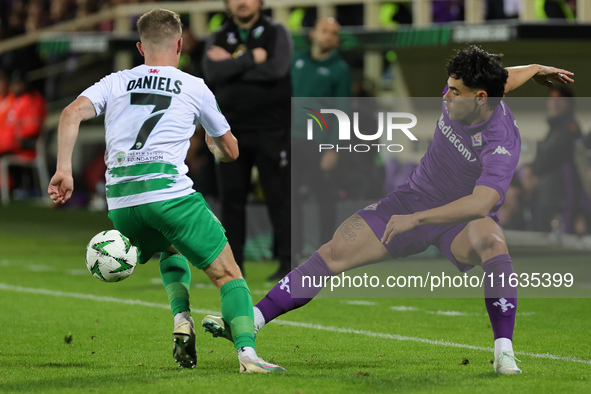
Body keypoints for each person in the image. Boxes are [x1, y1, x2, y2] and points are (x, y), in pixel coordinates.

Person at [202, 46, 575, 375]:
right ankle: (251, 319)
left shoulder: (501, 141)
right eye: (447, 85)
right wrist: (539, 67)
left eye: (454, 91)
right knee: (333, 252)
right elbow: (508, 76)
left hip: (457, 218)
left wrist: (418, 220)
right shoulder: (484, 89)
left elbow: (482, 203)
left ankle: (504, 353)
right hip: (412, 198)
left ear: (480, 98)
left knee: (493, 244)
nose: (445, 95)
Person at [47, 8, 284, 374]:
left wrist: (64, 169)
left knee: (169, 247)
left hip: (123, 203)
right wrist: (214, 145)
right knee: (228, 274)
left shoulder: (115, 81)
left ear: (141, 48)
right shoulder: (193, 85)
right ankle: (248, 356)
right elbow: (232, 151)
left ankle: (181, 317)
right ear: (179, 44)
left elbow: (70, 113)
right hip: (170, 194)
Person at [202, 0, 292, 279]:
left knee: (279, 197)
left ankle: (289, 264)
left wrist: (231, 64)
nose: (242, 2)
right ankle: (233, 264)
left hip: (272, 130)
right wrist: (252, 57)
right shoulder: (216, 35)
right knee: (231, 200)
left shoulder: (276, 32)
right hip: (229, 129)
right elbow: (212, 73)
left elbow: (276, 69)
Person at [291, 17, 351, 257]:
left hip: (319, 142)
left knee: (324, 196)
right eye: (324, 31)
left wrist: (333, 147)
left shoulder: (340, 69)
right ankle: (291, 252)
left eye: (333, 33)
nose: (328, 36)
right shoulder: (296, 61)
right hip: (292, 138)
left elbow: (343, 111)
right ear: (312, 34)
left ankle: (327, 252)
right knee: (290, 197)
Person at [522, 86, 587, 234]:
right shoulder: (553, 130)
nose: (555, 102)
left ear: (569, 103)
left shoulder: (571, 128)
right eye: (552, 99)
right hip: (546, 197)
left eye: (560, 99)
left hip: (562, 199)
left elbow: (552, 153)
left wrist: (533, 171)